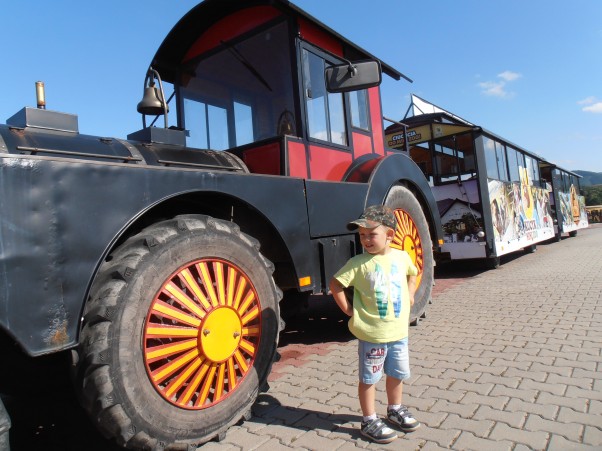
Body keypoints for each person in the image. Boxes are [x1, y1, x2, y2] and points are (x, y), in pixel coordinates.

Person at [329, 205, 420, 444]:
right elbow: (336, 284)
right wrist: (348, 310)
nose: (366, 239)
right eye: (362, 235)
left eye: (371, 234)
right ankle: (369, 419)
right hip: (372, 335)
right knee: (369, 379)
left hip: (399, 333)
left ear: (390, 235)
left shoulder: (401, 257)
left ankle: (395, 408)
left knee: (397, 374)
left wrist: (411, 294)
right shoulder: (358, 263)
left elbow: (414, 272)